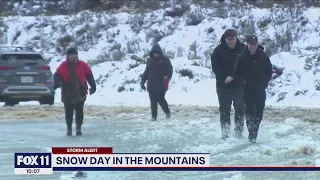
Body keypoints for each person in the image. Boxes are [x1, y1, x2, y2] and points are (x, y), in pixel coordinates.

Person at [234, 35, 273, 143]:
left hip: (260, 89)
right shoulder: (241, 57)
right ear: (247, 44)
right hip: (247, 90)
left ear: (257, 44)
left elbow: (269, 70)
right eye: (251, 44)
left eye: (255, 44)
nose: (253, 46)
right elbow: (237, 73)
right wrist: (243, 81)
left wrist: (265, 81)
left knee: (259, 113)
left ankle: (254, 130)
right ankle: (252, 135)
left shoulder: (263, 56)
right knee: (250, 112)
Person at [211, 29, 246, 140]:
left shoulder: (242, 48)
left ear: (236, 38)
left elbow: (246, 65)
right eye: (229, 39)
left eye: (233, 39)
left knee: (240, 109)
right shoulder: (218, 51)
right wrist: (224, 78)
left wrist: (234, 76)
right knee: (225, 110)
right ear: (225, 39)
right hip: (223, 86)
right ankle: (225, 133)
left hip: (239, 85)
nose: (231, 41)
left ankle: (238, 133)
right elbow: (215, 68)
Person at [54, 47, 96, 136]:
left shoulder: (83, 65)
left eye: (74, 55)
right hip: (67, 92)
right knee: (68, 112)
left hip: (80, 91)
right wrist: (56, 83)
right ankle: (69, 129)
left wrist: (93, 87)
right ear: (67, 56)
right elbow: (57, 75)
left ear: (76, 55)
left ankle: (78, 128)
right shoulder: (63, 65)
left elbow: (89, 76)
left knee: (79, 111)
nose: (72, 57)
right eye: (70, 55)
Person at [140, 44, 173, 121]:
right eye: (154, 53)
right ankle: (154, 117)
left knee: (161, 99)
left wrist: (167, 77)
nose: (155, 54)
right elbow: (146, 72)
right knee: (153, 102)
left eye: (157, 53)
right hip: (151, 84)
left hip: (161, 84)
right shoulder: (149, 60)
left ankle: (167, 111)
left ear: (159, 52)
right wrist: (142, 81)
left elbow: (170, 69)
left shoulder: (165, 60)